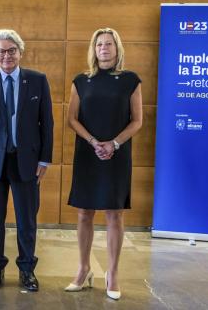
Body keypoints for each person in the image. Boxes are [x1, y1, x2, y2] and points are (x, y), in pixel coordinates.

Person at [0, 29, 53, 291]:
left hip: (27, 161)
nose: (7, 55)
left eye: (11, 50)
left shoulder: (37, 80)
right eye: (1, 51)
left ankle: (27, 270)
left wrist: (45, 160)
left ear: (20, 52)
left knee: (27, 219)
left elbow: (46, 123)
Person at [64, 27, 142, 300]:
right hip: (88, 153)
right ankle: (84, 269)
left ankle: (112, 272)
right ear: (93, 49)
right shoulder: (81, 80)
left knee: (113, 214)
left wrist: (114, 144)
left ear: (117, 48)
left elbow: (137, 120)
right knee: (84, 212)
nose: (104, 49)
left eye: (109, 44)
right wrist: (94, 141)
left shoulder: (130, 80)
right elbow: (72, 119)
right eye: (99, 45)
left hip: (117, 154)